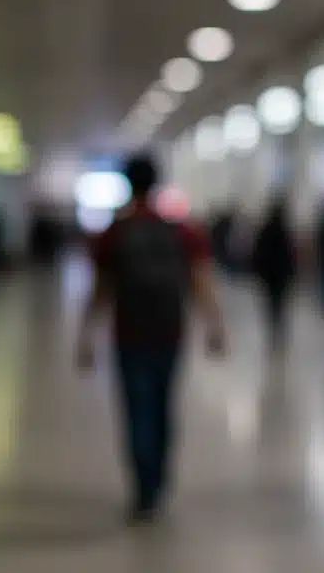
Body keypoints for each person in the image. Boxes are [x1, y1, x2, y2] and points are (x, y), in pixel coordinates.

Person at [76, 154, 226, 522]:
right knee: (163, 406)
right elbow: (200, 281)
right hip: (170, 330)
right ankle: (159, 483)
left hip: (128, 333)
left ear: (128, 184)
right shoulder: (182, 231)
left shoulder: (115, 232)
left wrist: (86, 335)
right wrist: (214, 325)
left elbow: (101, 288)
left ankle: (143, 490)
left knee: (136, 410)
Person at [252, 198, 297, 354]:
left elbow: (258, 253)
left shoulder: (265, 230)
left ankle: (272, 329)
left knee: (271, 303)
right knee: (280, 304)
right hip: (281, 276)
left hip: (269, 275)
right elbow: (291, 256)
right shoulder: (286, 231)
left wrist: (259, 271)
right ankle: (279, 330)